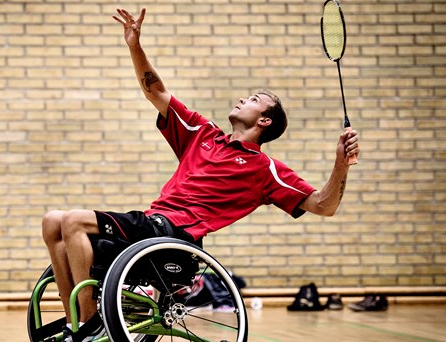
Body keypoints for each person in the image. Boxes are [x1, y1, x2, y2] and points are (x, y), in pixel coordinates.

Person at [42, 8, 360, 341]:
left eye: (253, 99)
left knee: (75, 220)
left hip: (175, 236)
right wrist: (134, 45)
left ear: (264, 121)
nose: (242, 98)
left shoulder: (265, 170)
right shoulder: (202, 133)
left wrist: (340, 162)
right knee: (53, 220)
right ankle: (73, 323)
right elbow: (156, 91)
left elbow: (323, 205)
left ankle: (90, 324)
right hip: (151, 225)